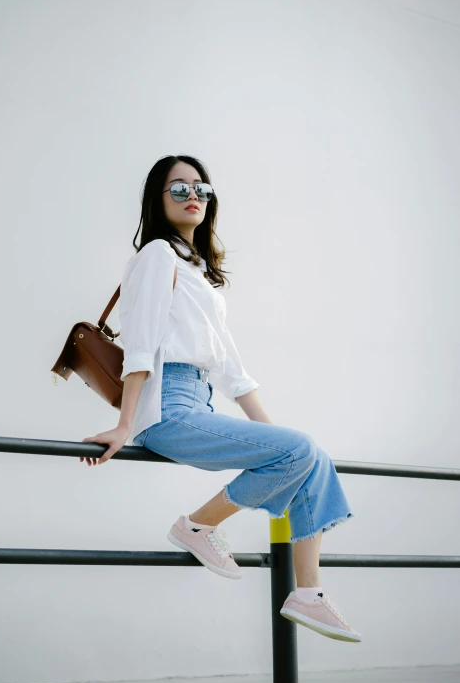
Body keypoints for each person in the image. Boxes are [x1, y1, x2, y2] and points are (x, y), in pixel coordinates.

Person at [79, 154, 361, 643]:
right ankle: (196, 528)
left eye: (201, 189)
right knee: (300, 450)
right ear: (157, 198)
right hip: (166, 406)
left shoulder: (199, 271)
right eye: (179, 188)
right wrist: (126, 425)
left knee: (309, 455)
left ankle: (308, 594)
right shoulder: (157, 256)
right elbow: (141, 345)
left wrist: (278, 434)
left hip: (198, 401)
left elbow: (232, 370)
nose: (193, 196)